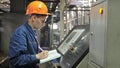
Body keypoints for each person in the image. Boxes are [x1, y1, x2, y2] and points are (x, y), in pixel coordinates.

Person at [8, 1, 49, 68]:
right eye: (42, 21)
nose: (43, 24)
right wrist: (37, 56)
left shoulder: (32, 32)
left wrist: (41, 52)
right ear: (34, 18)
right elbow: (16, 60)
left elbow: (31, 50)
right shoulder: (20, 33)